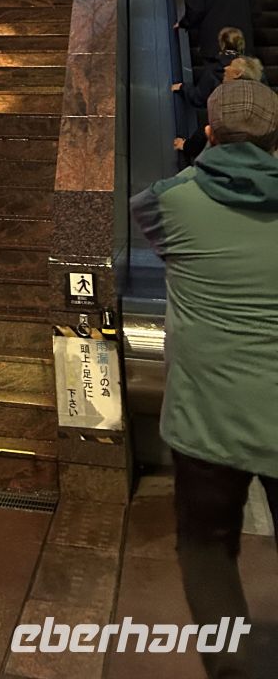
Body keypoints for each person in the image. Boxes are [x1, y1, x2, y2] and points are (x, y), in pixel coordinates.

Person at [131, 80, 278, 679]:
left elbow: (157, 228)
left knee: (207, 546)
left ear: (209, 134)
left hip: (205, 420)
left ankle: (232, 668)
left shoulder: (166, 203)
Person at [171, 26, 247, 162]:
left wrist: (183, 87)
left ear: (222, 44)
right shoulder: (251, 71)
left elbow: (198, 98)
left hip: (223, 129)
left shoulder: (214, 69)